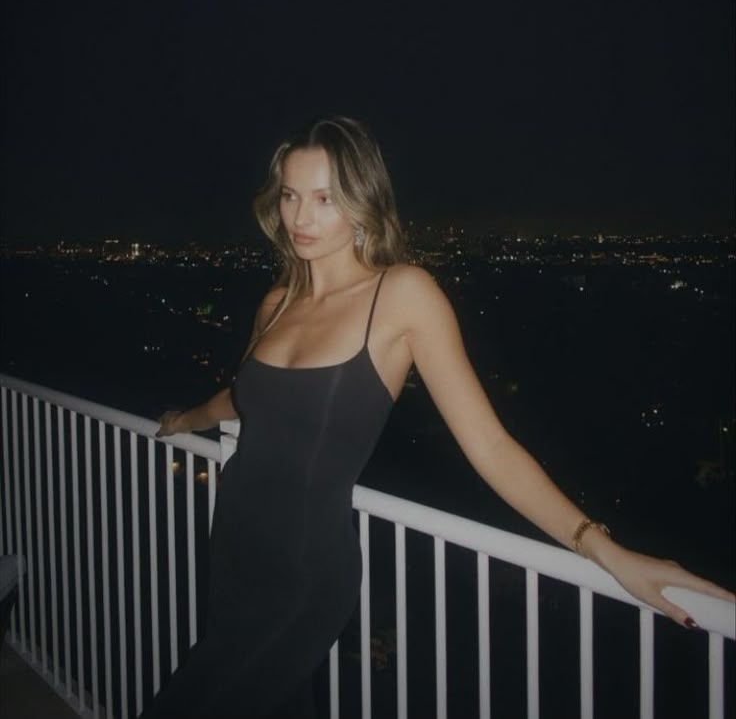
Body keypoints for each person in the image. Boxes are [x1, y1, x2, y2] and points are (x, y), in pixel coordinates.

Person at [145, 115, 733, 719]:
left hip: (304, 575)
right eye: (292, 196)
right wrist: (187, 418)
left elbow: (490, 446)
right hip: (235, 548)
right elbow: (245, 398)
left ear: (362, 202)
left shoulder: (401, 294)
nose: (302, 217)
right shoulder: (277, 302)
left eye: (325, 198)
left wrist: (606, 550)